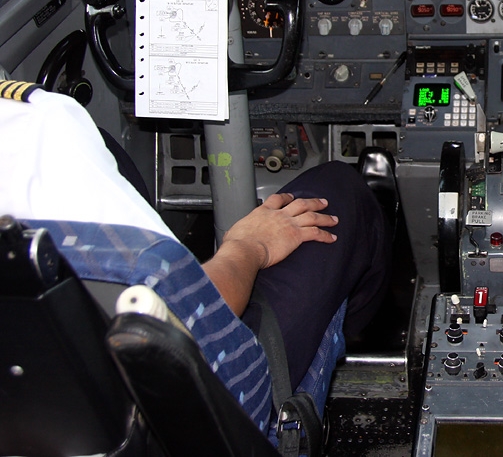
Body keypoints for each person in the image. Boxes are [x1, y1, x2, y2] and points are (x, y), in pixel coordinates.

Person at [0, 80, 391, 399]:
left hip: (58, 391)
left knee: (106, 146)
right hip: (204, 383)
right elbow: (185, 313)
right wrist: (247, 247)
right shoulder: (43, 127)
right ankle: (351, 325)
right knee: (338, 190)